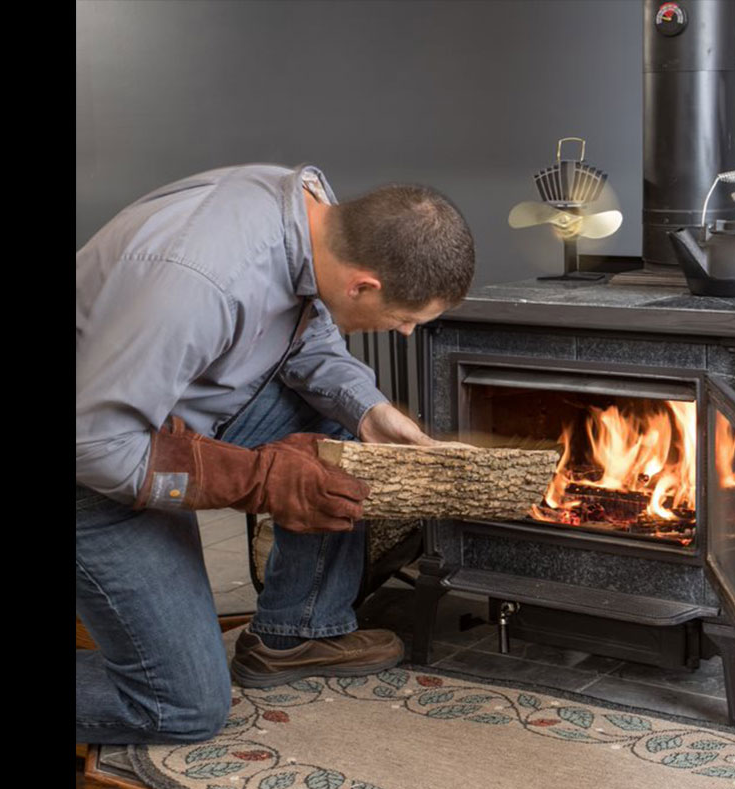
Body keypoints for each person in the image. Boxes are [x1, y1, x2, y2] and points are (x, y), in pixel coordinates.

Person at [76, 163, 475, 744]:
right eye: (406, 319)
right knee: (180, 708)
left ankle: (295, 633)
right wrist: (261, 480)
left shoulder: (308, 219)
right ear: (362, 285)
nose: (408, 333)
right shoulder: (197, 281)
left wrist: (370, 411)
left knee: (343, 433)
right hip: (98, 459)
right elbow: (95, 445)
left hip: (172, 415)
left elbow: (305, 339)